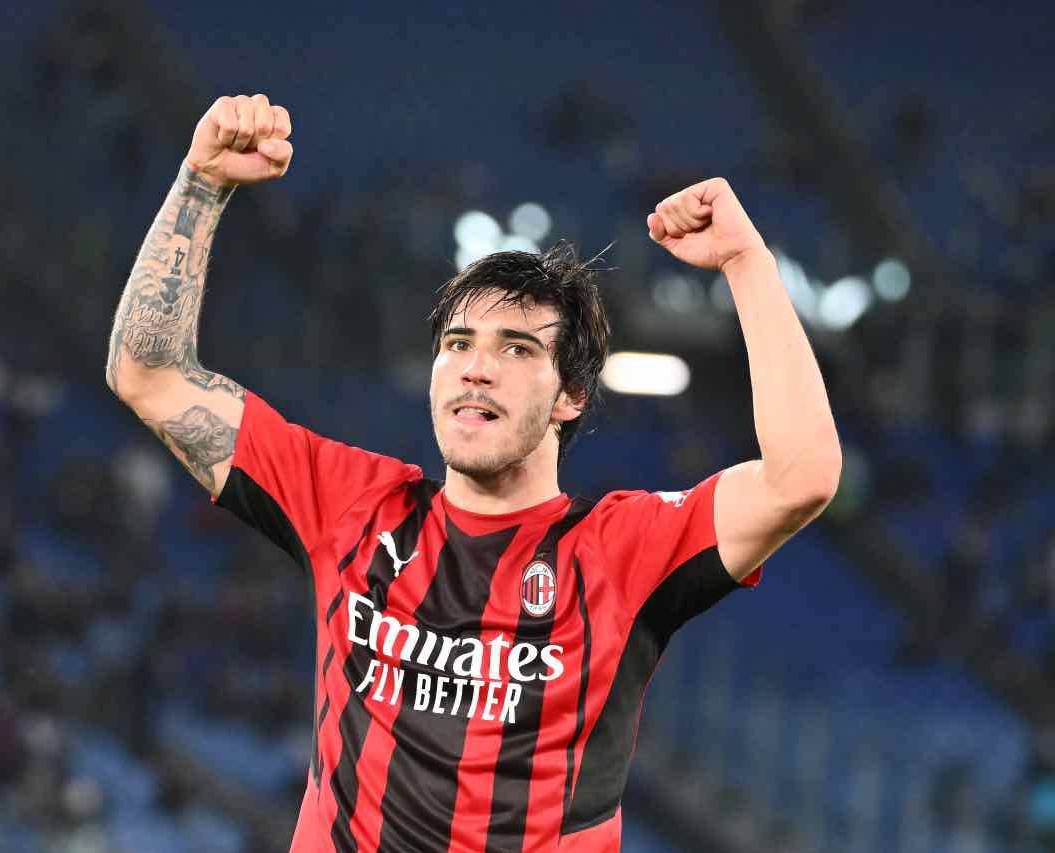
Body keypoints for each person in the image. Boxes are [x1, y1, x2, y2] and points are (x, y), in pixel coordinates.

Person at [105, 94, 842, 852]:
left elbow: (803, 476)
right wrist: (201, 182)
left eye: (517, 349)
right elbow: (147, 375)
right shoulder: (351, 503)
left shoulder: (623, 548)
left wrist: (747, 264)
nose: (476, 368)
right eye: (458, 344)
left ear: (571, 395)